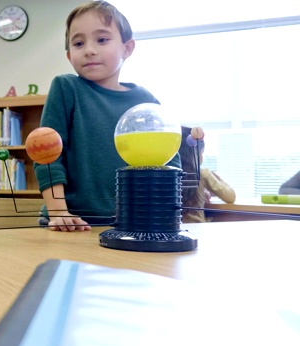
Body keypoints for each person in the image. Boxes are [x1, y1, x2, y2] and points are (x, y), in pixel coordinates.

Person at [34, 0, 180, 232]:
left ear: (127, 48)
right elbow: (47, 155)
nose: (89, 49)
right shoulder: (66, 87)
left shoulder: (147, 102)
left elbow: (169, 164)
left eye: (102, 39)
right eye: (79, 43)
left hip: (132, 224)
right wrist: (59, 211)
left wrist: (161, 215)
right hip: (69, 224)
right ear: (70, 56)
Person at [178, 126, 236, 223]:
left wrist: (201, 191)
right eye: (201, 153)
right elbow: (230, 196)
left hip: (173, 230)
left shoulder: (169, 175)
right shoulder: (202, 173)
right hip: (197, 229)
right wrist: (218, 179)